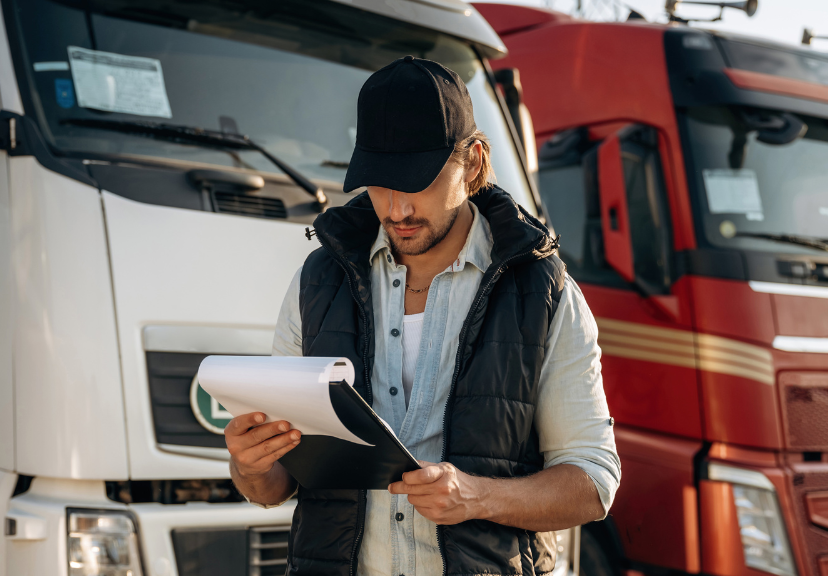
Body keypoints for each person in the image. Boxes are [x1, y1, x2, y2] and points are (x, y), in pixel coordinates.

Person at [224, 56, 620, 576]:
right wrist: (249, 464)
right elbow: (276, 485)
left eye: (416, 182)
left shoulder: (544, 293)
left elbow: (593, 482)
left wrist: (476, 497)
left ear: (473, 163)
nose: (397, 209)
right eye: (380, 184)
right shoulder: (318, 282)